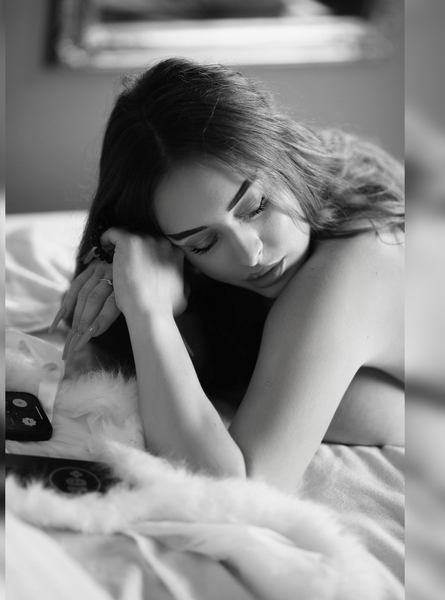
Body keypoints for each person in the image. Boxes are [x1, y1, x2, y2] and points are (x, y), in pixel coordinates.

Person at [50, 58, 404, 492]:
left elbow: (241, 489)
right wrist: (134, 271)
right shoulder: (233, 277)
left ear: (283, 158)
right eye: (203, 243)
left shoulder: (350, 268)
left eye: (255, 207)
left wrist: (149, 310)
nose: (250, 253)